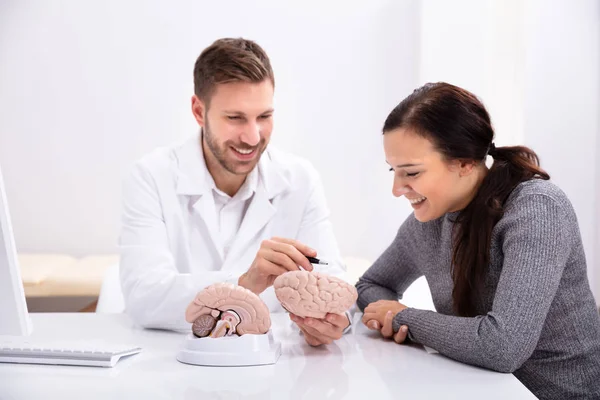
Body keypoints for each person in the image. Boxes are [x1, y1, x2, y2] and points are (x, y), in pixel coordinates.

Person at [357, 82, 600, 399]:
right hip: (478, 388)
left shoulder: (537, 210)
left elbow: (503, 346)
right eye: (393, 170)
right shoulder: (431, 220)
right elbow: (370, 286)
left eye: (411, 173)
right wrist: (393, 317)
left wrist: (405, 318)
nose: (396, 188)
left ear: (464, 162)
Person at [118, 38, 351, 346]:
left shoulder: (299, 179)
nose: (253, 137)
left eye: (264, 117)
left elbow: (333, 280)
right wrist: (243, 284)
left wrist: (335, 322)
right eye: (235, 118)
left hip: (274, 367)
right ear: (199, 112)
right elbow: (144, 296)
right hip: (174, 363)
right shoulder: (151, 177)